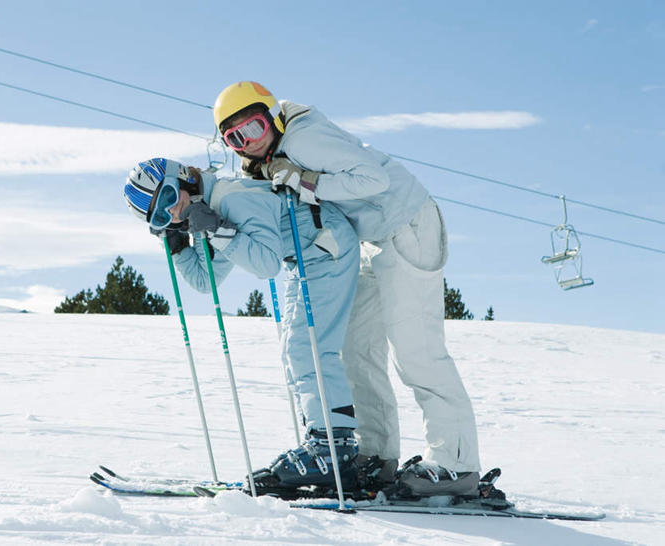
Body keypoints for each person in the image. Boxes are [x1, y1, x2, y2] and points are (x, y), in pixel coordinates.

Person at [212, 81, 481, 496]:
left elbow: (370, 179)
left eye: (253, 126)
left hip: (406, 224)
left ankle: (456, 464)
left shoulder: (302, 137)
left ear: (273, 116)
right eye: (234, 138)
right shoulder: (274, 156)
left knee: (416, 350)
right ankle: (376, 456)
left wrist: (306, 180)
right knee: (357, 350)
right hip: (369, 239)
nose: (247, 143)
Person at [122, 157, 361, 492]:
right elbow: (206, 281)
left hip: (327, 249)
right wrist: (179, 247)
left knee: (309, 349)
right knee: (294, 354)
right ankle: (322, 442)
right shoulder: (207, 212)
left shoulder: (232, 198)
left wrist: (217, 229)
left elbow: (265, 265)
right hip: (307, 258)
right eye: (161, 215)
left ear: (182, 178)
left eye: (168, 197)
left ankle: (334, 448)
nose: (173, 212)